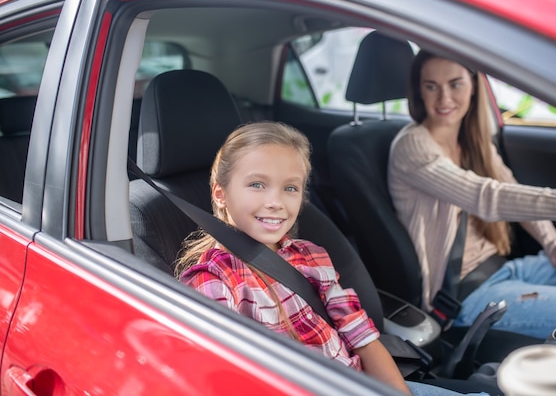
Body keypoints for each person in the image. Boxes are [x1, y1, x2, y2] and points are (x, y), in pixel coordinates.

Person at [176, 121, 489, 396]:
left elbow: (364, 340)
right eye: (257, 185)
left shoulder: (311, 257)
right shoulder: (213, 282)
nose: (275, 202)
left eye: (290, 188)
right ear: (220, 194)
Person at [388, 49, 556, 340]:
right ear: (419, 91)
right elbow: (489, 198)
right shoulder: (411, 147)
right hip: (467, 295)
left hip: (507, 269)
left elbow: (511, 188)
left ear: (474, 85)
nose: (444, 99)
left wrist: (552, 243)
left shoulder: (473, 142)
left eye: (455, 83)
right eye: (431, 86)